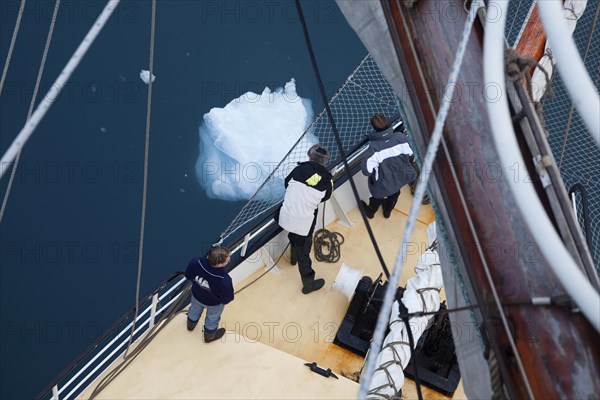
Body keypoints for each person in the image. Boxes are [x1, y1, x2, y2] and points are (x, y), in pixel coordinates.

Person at [277, 144, 333, 294]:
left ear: (310, 155)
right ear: (325, 161)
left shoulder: (297, 169)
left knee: (295, 235)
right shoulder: (327, 180)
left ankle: (293, 257)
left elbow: (287, 183)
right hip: (303, 223)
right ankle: (308, 284)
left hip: (284, 216)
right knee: (304, 252)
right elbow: (326, 196)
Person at [361, 114, 417, 219]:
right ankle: (387, 212)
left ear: (374, 128)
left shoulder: (374, 148)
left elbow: (366, 171)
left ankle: (371, 212)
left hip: (382, 183)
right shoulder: (401, 137)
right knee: (395, 193)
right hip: (400, 177)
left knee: (376, 198)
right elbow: (411, 153)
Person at [185, 246, 234, 343]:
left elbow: (188, 275)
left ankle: (190, 326)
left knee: (194, 309)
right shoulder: (224, 280)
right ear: (219, 264)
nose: (229, 260)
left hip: (196, 295)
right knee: (212, 319)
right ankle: (209, 337)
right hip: (213, 304)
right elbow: (227, 299)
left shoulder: (196, 262)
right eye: (227, 260)